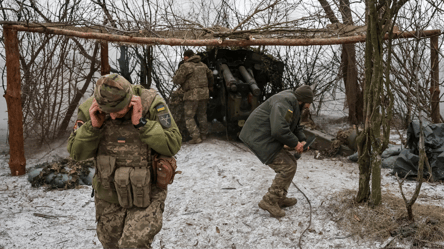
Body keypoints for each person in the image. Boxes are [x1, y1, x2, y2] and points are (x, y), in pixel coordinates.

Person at [67, 73, 182, 248]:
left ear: (131, 100)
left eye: (118, 111)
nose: (112, 117)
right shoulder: (90, 108)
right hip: (108, 193)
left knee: (132, 244)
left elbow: (173, 144)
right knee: (110, 243)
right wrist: (93, 127)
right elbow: (77, 153)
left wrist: (142, 124)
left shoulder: (151, 103)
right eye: (108, 113)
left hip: (147, 193)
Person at [239, 85, 314, 218]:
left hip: (265, 136)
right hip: (259, 137)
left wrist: (302, 140)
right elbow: (279, 130)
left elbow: (295, 126)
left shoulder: (293, 103)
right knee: (287, 166)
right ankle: (269, 201)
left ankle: (279, 197)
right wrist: (295, 144)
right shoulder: (284, 103)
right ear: (302, 100)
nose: (308, 106)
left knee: (291, 163)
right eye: (308, 103)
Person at [173, 49, 214, 144]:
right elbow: (211, 75)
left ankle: (196, 137)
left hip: (192, 95)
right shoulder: (202, 65)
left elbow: (177, 80)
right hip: (204, 94)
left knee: (189, 116)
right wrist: (210, 86)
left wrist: (176, 76)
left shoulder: (185, 66)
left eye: (184, 56)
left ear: (187, 57)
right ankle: (204, 134)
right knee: (202, 114)